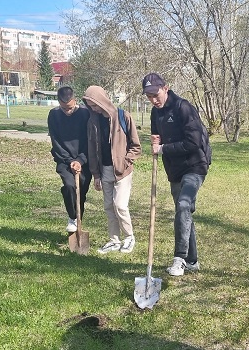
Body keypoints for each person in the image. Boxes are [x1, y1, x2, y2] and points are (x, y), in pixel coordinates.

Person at [143, 72, 210, 276]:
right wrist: (155, 142)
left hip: (194, 165)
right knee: (184, 212)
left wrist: (163, 148)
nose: (154, 100)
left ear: (166, 88)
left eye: (156, 94)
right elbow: (158, 138)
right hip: (174, 169)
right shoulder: (156, 113)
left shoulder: (184, 107)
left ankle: (179, 258)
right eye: (149, 96)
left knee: (183, 205)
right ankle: (192, 261)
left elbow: (194, 142)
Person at [82, 85, 142, 254]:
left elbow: (136, 146)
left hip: (123, 171)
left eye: (94, 104)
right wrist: (96, 174)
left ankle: (129, 237)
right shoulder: (93, 121)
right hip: (104, 170)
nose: (93, 108)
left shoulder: (123, 117)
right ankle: (114, 240)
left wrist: (125, 161)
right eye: (90, 105)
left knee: (120, 205)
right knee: (109, 206)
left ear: (101, 100)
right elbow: (92, 150)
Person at [48, 86, 91, 232]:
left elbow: (89, 141)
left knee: (81, 193)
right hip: (64, 160)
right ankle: (72, 217)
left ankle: (78, 223)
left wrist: (80, 160)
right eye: (64, 108)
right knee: (69, 186)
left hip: (85, 160)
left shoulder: (86, 114)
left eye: (70, 108)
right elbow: (56, 142)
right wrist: (69, 161)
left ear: (75, 100)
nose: (68, 112)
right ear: (59, 102)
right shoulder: (53, 115)